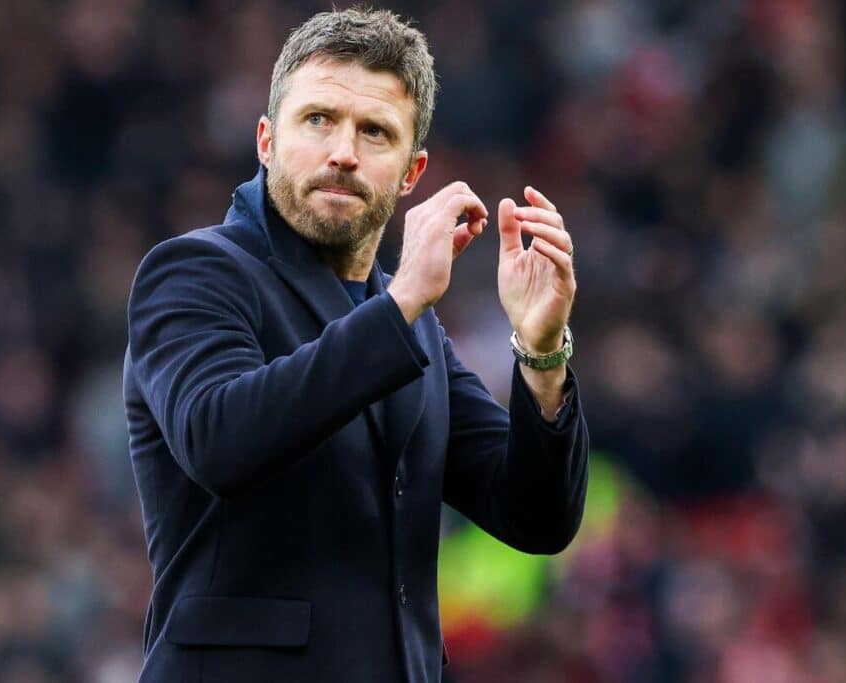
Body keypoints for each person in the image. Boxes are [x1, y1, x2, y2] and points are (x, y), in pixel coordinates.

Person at [123, 8, 588, 682]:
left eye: (375, 131)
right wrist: (400, 305)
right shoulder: (196, 272)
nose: (343, 150)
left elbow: (536, 518)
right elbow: (217, 439)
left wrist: (542, 353)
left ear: (411, 171)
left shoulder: (408, 320)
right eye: (318, 119)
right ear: (265, 140)